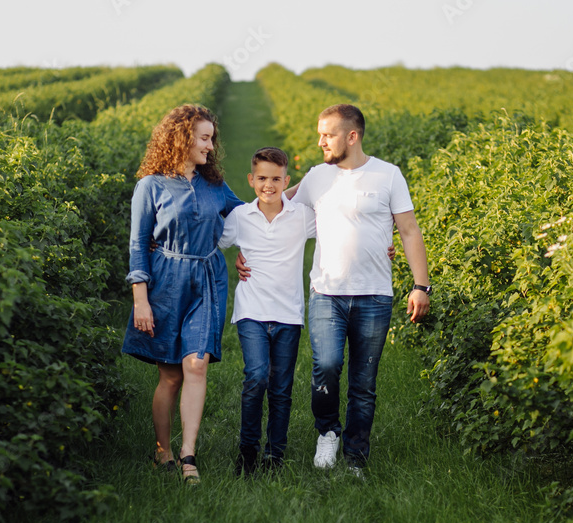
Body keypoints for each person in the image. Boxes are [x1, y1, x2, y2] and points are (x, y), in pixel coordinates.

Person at [238, 104, 431, 474]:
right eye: (320, 134)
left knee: (364, 380)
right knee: (325, 366)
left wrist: (421, 285)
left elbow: (408, 230)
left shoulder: (388, 176)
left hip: (375, 294)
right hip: (327, 292)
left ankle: (356, 455)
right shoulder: (316, 177)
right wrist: (245, 249)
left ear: (352, 136)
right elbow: (271, 204)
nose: (320, 141)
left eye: (328, 134)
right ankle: (327, 432)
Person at [122, 104, 244, 485]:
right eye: (204, 138)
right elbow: (139, 246)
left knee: (196, 364)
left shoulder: (214, 186)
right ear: (182, 139)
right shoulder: (151, 186)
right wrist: (140, 300)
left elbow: (252, 214)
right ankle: (164, 452)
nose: (210, 147)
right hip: (164, 283)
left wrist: (301, 192)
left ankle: (189, 455)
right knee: (170, 377)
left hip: (207, 278)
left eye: (211, 139)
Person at [218, 147, 316, 475]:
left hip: (289, 314)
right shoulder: (240, 217)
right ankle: (248, 451)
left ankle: (275, 456)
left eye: (276, 178)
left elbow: (341, 230)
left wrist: (382, 243)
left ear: (287, 180)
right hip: (251, 311)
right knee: (257, 376)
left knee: (281, 388)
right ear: (251, 180)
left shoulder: (301, 216)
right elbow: (212, 243)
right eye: (262, 178)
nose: (269, 185)